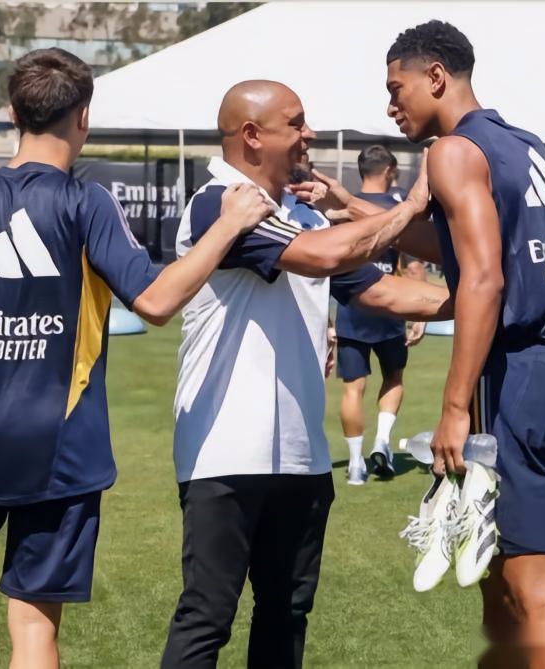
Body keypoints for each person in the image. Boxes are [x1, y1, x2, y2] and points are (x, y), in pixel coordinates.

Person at [0, 48, 273, 669]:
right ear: (84, 117)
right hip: (59, 450)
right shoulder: (86, 203)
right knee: (33, 625)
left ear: (13, 115)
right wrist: (228, 224)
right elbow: (156, 301)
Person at [313, 20, 545, 667]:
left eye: (396, 88)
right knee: (497, 574)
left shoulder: (452, 152)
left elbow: (484, 278)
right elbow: (459, 244)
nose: (390, 105)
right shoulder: (522, 143)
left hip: (516, 378)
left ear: (435, 76)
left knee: (533, 591)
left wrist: (454, 407)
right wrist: (355, 206)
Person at [161, 79, 452, 669]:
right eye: (296, 123)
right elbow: (324, 256)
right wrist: (411, 207)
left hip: (303, 459)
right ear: (251, 135)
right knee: (207, 618)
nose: (309, 134)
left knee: (287, 615)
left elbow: (384, 293)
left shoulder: (300, 215)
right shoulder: (221, 203)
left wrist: (485, 299)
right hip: (224, 454)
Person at [335, 145, 427, 484]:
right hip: (389, 306)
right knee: (394, 377)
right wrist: (419, 315)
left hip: (352, 306)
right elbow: (413, 265)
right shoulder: (400, 209)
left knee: (352, 388)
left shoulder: (344, 208)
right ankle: (382, 443)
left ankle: (355, 464)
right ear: (390, 170)